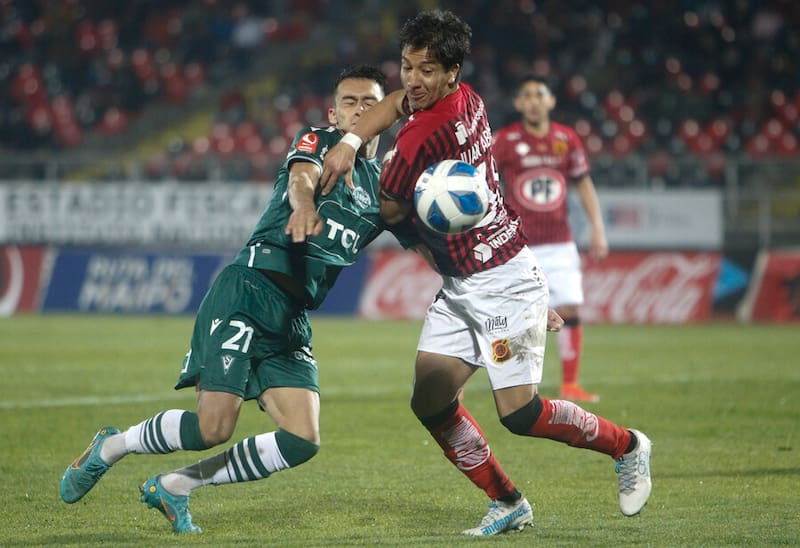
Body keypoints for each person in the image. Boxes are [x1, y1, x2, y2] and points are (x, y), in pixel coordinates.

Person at [321, 10, 651, 536]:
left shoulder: (421, 136)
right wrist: (350, 142)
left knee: (519, 413)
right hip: (465, 281)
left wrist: (356, 177)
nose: (412, 80)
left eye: (426, 70)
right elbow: (390, 104)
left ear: (451, 70)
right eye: (407, 66)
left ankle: (627, 446)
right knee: (429, 398)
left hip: (503, 278)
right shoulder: (466, 98)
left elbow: (388, 211)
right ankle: (508, 501)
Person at [60, 64, 398, 534]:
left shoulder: (382, 187)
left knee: (302, 439)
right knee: (213, 429)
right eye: (349, 102)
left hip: (291, 316)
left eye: (369, 103)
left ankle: (176, 485)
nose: (359, 110)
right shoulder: (318, 142)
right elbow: (303, 177)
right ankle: (112, 447)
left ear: (385, 113)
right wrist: (303, 205)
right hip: (249, 291)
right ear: (333, 113)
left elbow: (418, 236)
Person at [493, 74, 608, 403]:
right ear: (518, 103)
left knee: (570, 307)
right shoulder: (505, 140)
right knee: (513, 314)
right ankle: (512, 379)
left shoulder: (566, 139)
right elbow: (485, 177)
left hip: (559, 242)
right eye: (526, 95)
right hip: (519, 244)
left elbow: (583, 182)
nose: (532, 101)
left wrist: (598, 228)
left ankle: (570, 383)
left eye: (539, 94)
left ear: (550, 101)